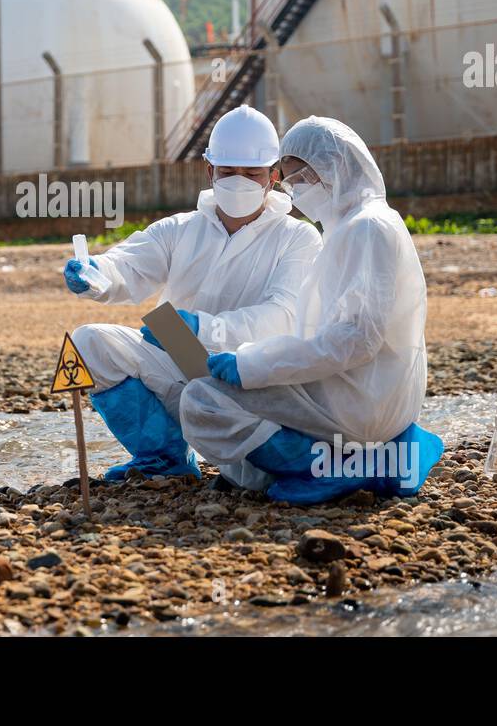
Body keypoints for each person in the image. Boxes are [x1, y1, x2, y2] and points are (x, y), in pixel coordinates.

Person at [178, 116, 443, 502]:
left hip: (363, 398)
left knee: (202, 400)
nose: (293, 191)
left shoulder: (365, 229)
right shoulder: (350, 226)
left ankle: (332, 469)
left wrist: (250, 364)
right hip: (375, 391)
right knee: (246, 455)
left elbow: (354, 340)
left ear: (331, 168)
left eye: (298, 179)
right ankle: (394, 452)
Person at [63, 105, 321, 482]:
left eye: (252, 173)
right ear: (208, 170)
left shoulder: (296, 238)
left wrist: (203, 327)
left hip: (250, 376)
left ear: (274, 175)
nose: (239, 182)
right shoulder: (181, 229)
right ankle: (164, 459)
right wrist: (95, 273)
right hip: (181, 355)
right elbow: (130, 264)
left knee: (253, 481)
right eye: (228, 171)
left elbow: (281, 316)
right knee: (90, 342)